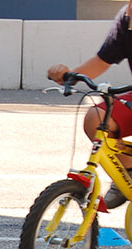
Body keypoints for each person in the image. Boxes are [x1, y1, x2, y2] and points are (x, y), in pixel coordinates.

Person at [47, 0, 132, 208]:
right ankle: (127, 174)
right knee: (97, 117)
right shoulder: (126, 18)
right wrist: (69, 76)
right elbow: (103, 60)